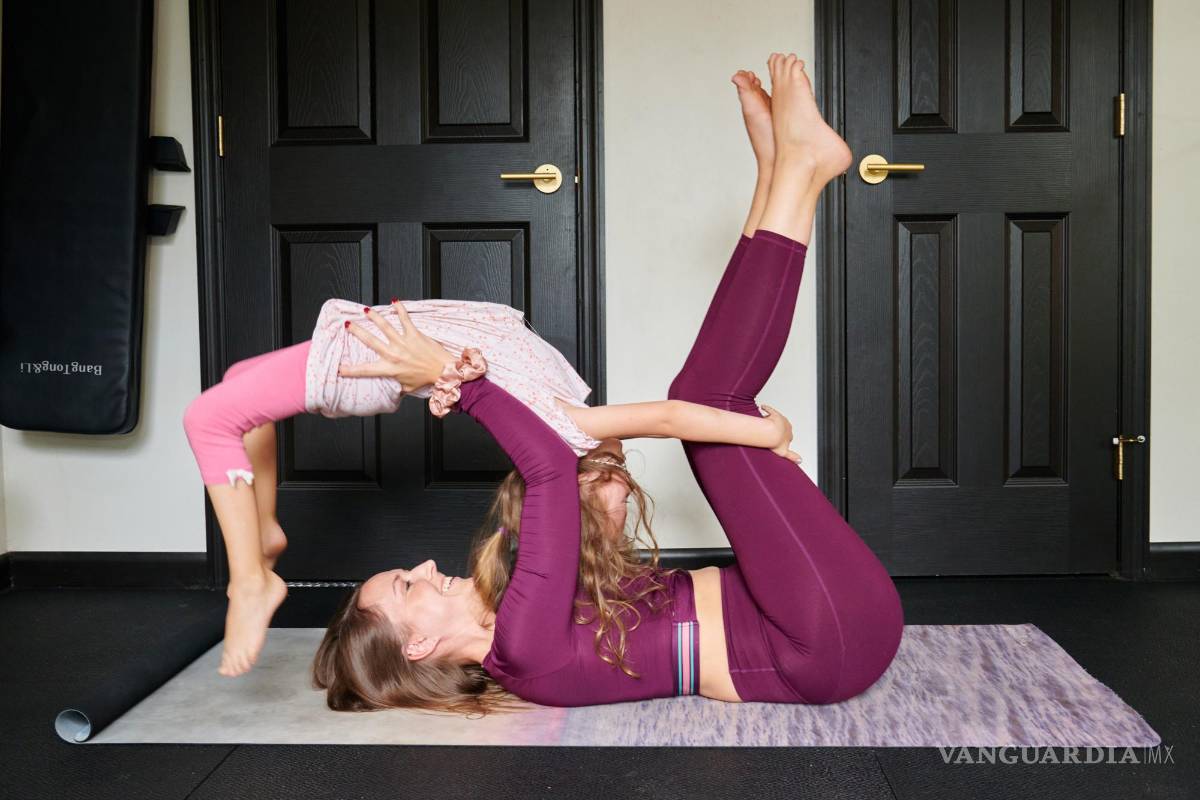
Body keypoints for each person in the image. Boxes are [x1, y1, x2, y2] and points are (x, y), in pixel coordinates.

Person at [312, 54, 904, 712]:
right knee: (705, 403)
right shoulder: (523, 649)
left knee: (701, 395)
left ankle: (782, 179)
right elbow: (546, 473)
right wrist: (460, 387)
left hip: (815, 608)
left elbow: (567, 482)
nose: (421, 567)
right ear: (415, 644)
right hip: (823, 639)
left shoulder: (515, 615)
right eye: (404, 587)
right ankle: (796, 175)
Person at [183, 236, 802, 677]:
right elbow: (669, 419)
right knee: (237, 388)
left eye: (610, 486)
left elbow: (671, 418)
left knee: (208, 417)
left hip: (391, 354)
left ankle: (251, 577)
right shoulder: (570, 425)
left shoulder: (567, 431)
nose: (622, 474)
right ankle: (259, 535)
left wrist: (764, 434)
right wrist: (763, 434)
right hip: (409, 347)